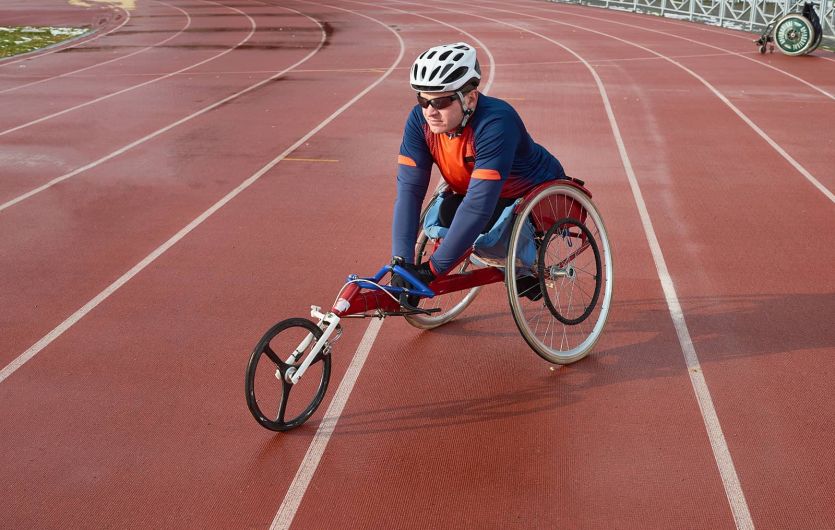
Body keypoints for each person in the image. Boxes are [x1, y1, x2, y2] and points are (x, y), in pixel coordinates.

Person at [390, 42, 567, 304]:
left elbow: (477, 207)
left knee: (489, 230)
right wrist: (400, 263)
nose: (429, 111)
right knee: (448, 213)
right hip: (475, 190)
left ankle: (525, 262)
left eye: (440, 101)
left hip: (528, 192)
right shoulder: (419, 121)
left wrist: (432, 271)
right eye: (422, 100)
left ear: (470, 98)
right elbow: (409, 192)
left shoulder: (496, 122)